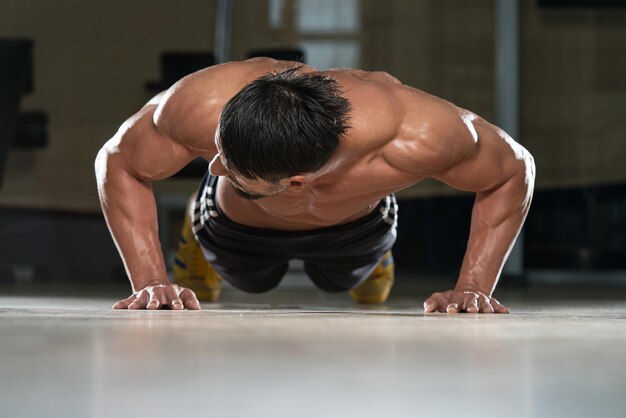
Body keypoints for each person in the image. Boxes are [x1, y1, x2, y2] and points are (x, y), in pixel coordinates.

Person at [95, 58, 535, 313]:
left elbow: (513, 170)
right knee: (250, 282)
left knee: (349, 281)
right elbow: (118, 161)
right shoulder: (201, 104)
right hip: (239, 229)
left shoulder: (419, 134)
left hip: (357, 227)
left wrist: (474, 285)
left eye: (229, 166)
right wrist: (150, 279)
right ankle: (197, 225)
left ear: (297, 181)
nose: (214, 166)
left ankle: (377, 258)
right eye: (219, 154)